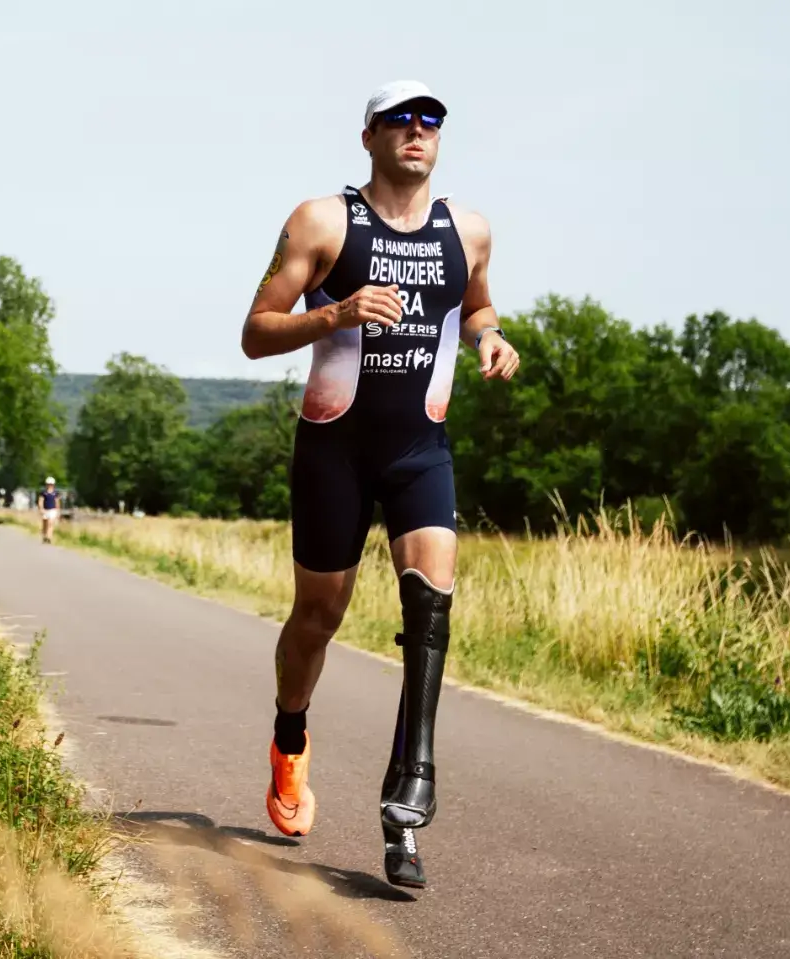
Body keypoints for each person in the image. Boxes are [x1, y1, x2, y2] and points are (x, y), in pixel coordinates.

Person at [240, 80, 520, 888]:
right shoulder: (322, 221)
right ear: (368, 136)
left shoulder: (468, 228)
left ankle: (407, 803)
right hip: (334, 448)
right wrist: (335, 314)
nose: (417, 130)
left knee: (429, 606)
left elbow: (477, 305)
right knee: (317, 618)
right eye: (399, 118)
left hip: (419, 450)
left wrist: (491, 337)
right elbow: (256, 331)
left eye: (431, 118)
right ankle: (290, 736)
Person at [39, 477, 60, 544]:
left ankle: (49, 537)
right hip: (45, 510)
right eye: (48, 484)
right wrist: (41, 509)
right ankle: (44, 536)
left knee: (50, 523)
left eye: (51, 484)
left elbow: (57, 502)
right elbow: (41, 501)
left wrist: (58, 510)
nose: (50, 485)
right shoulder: (43, 493)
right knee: (45, 524)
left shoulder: (55, 493)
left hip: (52, 510)